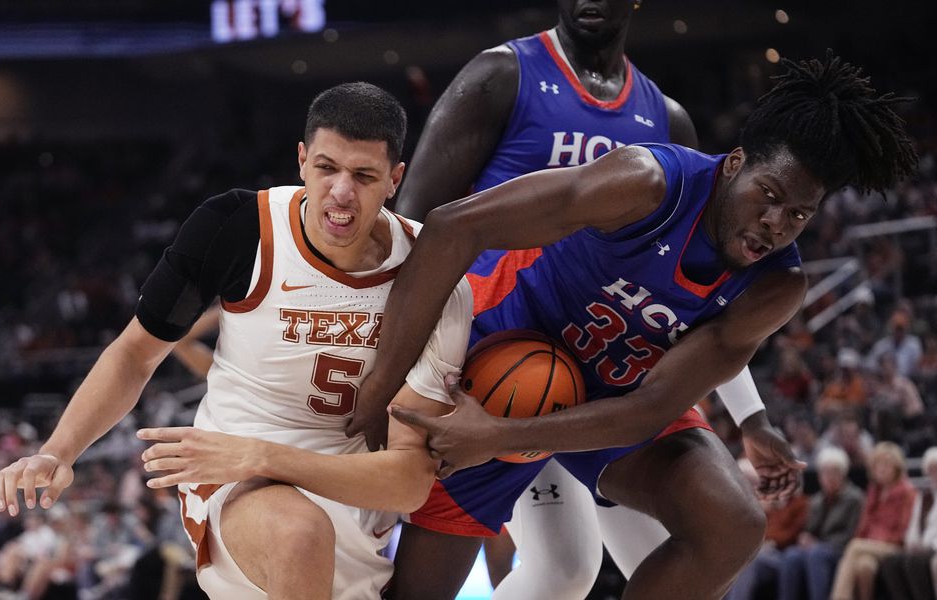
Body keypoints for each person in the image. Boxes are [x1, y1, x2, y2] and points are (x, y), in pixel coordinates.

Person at [356, 53, 918, 600]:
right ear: (735, 163)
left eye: (798, 215)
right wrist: (380, 386)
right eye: (769, 197)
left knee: (733, 524)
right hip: (498, 358)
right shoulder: (648, 182)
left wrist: (500, 439)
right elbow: (453, 226)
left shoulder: (777, 287)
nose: (775, 224)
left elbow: (652, 409)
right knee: (447, 587)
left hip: (611, 400)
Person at [0, 82, 475, 600]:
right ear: (302, 160)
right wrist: (59, 452)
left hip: (351, 486)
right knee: (298, 533)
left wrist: (263, 456)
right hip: (231, 479)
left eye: (364, 175)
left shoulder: (433, 277)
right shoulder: (239, 227)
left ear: (395, 180)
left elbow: (408, 482)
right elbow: (135, 352)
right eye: (327, 168)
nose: (341, 192)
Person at [831, 442, 917, 600]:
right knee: (864, 566)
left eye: (887, 464)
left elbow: (903, 532)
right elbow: (864, 525)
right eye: (878, 464)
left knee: (854, 546)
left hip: (894, 545)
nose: (882, 469)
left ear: (896, 467)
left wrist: (871, 543)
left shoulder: (907, 492)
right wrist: (867, 543)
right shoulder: (874, 491)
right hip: (870, 547)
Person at [778, 447, 864, 600]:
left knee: (816, 554)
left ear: (843, 474)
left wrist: (818, 543)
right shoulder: (816, 500)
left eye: (833, 472)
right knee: (792, 555)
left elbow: (852, 534)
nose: (829, 477)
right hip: (817, 548)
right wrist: (805, 537)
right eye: (825, 473)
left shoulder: (855, 499)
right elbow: (809, 529)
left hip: (841, 550)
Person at [725, 458, 809, 600]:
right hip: (764, 552)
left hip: (783, 554)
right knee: (737, 557)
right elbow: (762, 529)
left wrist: (771, 541)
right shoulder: (773, 503)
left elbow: (793, 533)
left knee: (750, 561)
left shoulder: (801, 504)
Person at [877, 446, 937, 600]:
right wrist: (912, 543)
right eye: (932, 470)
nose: (934, 473)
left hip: (933, 547)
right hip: (921, 546)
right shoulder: (925, 496)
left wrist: (928, 545)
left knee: (914, 561)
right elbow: (914, 526)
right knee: (891, 560)